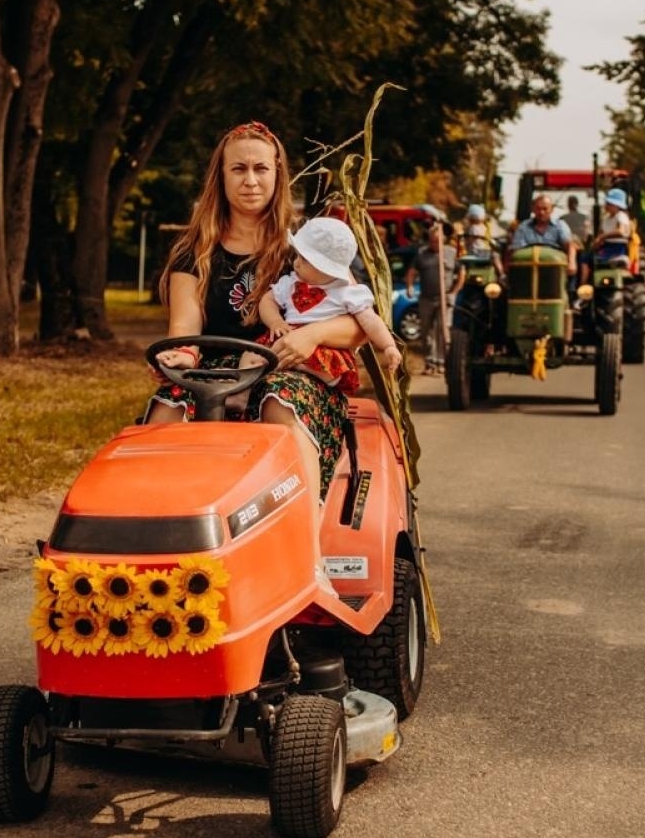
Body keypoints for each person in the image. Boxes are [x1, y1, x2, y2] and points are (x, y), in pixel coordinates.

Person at [148, 121, 364, 582]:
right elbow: (185, 327)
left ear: (277, 174)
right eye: (239, 169)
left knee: (279, 402)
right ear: (220, 178)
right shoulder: (194, 250)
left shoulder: (306, 245)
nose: (250, 180)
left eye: (261, 169)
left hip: (291, 364)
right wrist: (182, 356)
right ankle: (166, 550)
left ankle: (305, 555)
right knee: (166, 412)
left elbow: (358, 323)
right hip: (219, 365)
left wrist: (311, 335)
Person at [238, 217, 401, 393]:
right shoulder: (291, 282)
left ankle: (286, 371)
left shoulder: (347, 291)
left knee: (305, 363)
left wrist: (388, 346)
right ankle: (243, 393)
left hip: (324, 347)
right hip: (287, 335)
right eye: (298, 256)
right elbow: (268, 300)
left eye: (305, 260)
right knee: (250, 354)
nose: (297, 263)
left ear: (327, 268)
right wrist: (275, 321)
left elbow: (370, 320)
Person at [404, 218, 456, 375]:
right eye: (432, 241)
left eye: (437, 241)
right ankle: (429, 363)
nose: (435, 244)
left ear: (443, 240)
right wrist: (410, 286)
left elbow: (461, 272)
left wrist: (454, 291)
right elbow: (412, 271)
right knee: (426, 332)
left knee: (441, 331)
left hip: (443, 297)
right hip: (426, 298)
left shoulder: (450, 253)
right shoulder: (422, 254)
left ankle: (441, 363)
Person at [510, 194, 578, 286]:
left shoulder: (560, 225)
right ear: (533, 209)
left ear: (551, 209)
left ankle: (571, 294)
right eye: (538, 209)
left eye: (545, 209)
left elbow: (570, 245)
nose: (541, 212)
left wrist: (572, 263)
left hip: (555, 268)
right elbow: (516, 250)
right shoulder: (523, 227)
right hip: (528, 269)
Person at [587, 188, 634, 284]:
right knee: (585, 257)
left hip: (617, 249)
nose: (606, 206)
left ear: (617, 205)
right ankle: (585, 285)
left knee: (590, 260)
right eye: (607, 203)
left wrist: (603, 237)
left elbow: (621, 232)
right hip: (605, 248)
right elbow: (600, 234)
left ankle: (585, 283)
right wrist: (596, 242)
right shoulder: (606, 219)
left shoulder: (621, 216)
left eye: (609, 204)